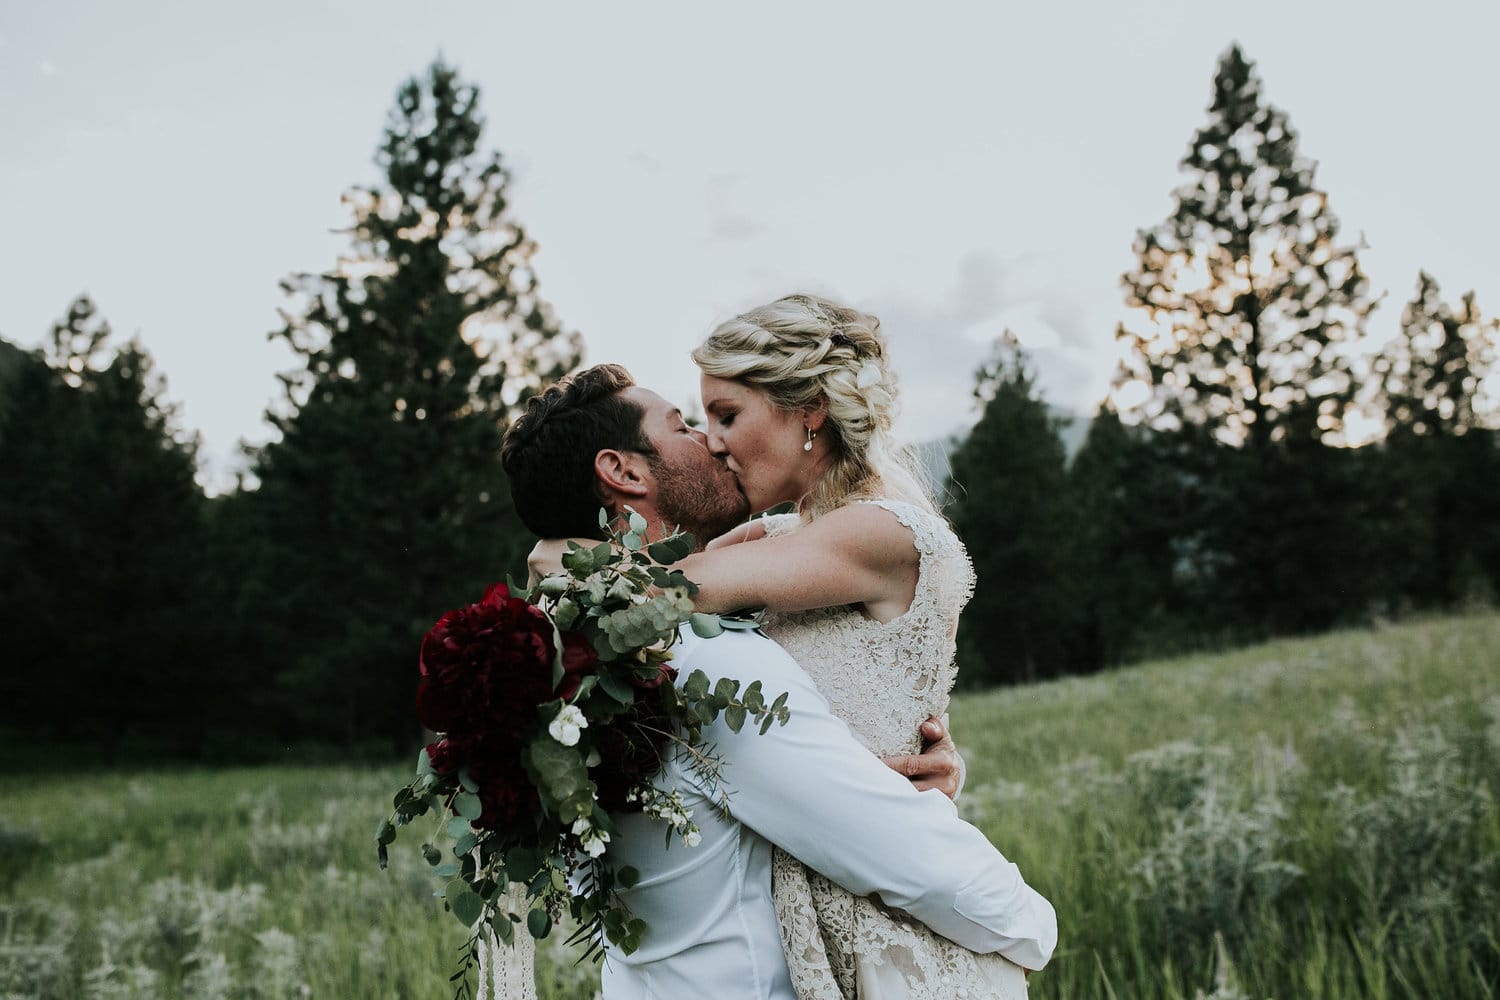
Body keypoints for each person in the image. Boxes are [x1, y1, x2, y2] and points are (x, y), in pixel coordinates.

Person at [500, 363, 1055, 999]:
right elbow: (882, 843)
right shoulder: (705, 663)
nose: (710, 441)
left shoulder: (564, 653)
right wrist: (1030, 925)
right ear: (623, 471)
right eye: (683, 425)